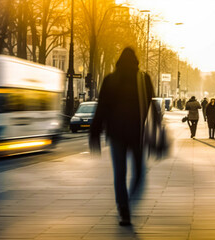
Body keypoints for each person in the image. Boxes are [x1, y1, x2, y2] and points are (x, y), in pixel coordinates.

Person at [89, 47, 153, 226]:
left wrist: (95, 131)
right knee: (139, 172)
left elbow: (101, 107)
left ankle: (123, 208)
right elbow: (148, 105)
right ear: (136, 61)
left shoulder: (110, 79)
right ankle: (129, 201)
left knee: (120, 172)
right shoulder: (143, 79)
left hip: (116, 133)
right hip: (136, 133)